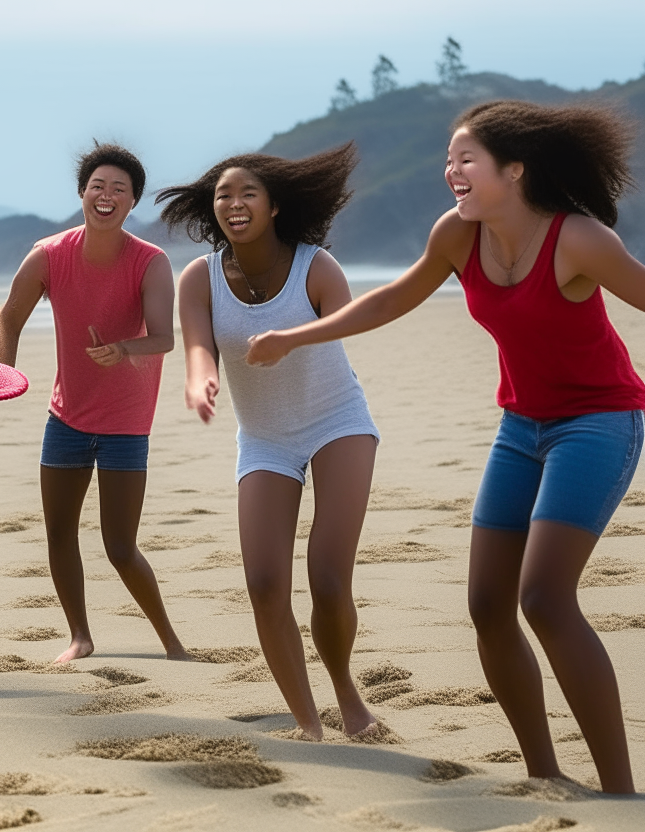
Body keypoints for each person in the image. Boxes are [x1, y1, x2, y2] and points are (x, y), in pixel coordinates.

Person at [246, 100, 644, 793]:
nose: (451, 170)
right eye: (449, 159)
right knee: (489, 605)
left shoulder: (577, 238)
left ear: (514, 170)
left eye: (467, 159)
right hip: (520, 428)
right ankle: (546, 773)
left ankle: (618, 790)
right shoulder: (458, 236)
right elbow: (391, 299)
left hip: (599, 421)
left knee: (545, 597)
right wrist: (295, 335)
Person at [157, 144, 380, 739]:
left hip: (338, 422)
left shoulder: (315, 267)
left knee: (329, 580)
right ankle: (309, 725)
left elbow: (347, 319)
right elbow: (198, 344)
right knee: (263, 584)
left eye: (248, 193)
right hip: (264, 440)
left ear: (275, 206)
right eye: (223, 195)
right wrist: (199, 377)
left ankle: (346, 693)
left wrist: (292, 336)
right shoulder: (199, 278)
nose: (234, 203)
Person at [0, 143, 190, 663]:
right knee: (60, 535)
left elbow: (164, 337)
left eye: (119, 189)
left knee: (120, 547)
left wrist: (122, 349)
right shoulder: (50, 255)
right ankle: (80, 636)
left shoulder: (151, 263)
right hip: (66, 417)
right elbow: (7, 320)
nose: (107, 195)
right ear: (81, 194)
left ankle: (171, 641)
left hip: (125, 423)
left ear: (133, 201)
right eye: (98, 186)